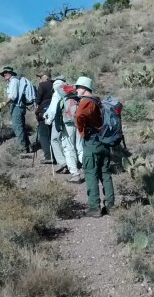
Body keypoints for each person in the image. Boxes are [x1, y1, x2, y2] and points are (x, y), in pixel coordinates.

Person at [74, 76, 114, 218]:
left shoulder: (85, 102)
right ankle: (110, 206)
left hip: (91, 143)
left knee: (91, 175)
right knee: (106, 174)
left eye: (78, 87)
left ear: (84, 88)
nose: (76, 90)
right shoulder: (98, 101)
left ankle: (94, 208)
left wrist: (82, 131)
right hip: (104, 141)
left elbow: (78, 116)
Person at [45, 77, 84, 182]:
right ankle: (89, 169)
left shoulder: (58, 93)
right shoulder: (74, 91)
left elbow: (52, 109)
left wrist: (48, 121)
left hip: (68, 123)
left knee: (68, 147)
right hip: (79, 121)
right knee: (80, 147)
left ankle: (75, 174)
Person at [0, 66, 32, 154]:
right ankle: (27, 145)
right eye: (3, 73)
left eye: (6, 72)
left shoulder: (14, 81)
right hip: (17, 106)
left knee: (17, 127)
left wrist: (3, 104)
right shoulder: (11, 82)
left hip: (17, 106)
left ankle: (22, 148)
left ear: (11, 73)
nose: (4, 74)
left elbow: (13, 96)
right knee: (20, 126)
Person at [34, 69, 54, 164]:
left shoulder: (42, 85)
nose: (39, 79)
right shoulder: (55, 84)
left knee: (43, 134)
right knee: (53, 133)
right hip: (55, 111)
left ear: (46, 77)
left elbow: (38, 100)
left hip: (44, 111)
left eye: (40, 77)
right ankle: (55, 154)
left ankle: (48, 156)